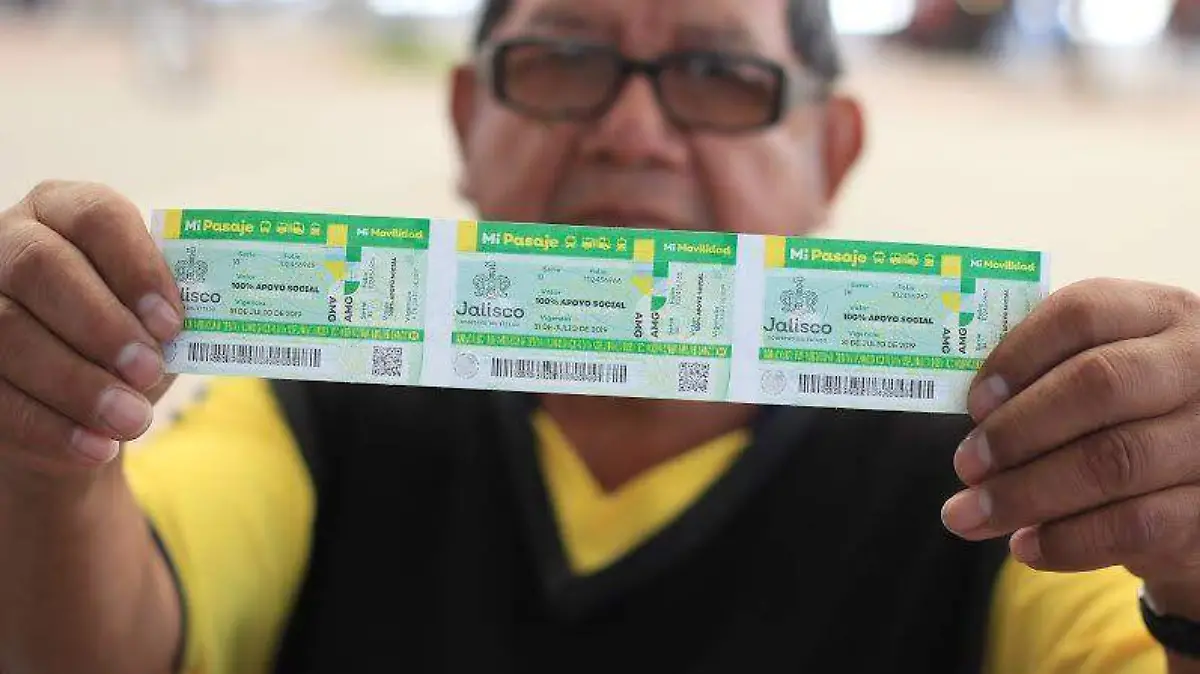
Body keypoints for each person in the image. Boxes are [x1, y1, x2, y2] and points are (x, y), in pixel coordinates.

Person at [1, 1, 1198, 672]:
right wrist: (48, 461)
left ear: (830, 153)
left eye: (719, 76)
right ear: (468, 121)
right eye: (564, 62)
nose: (631, 132)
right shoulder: (310, 412)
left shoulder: (1000, 485)